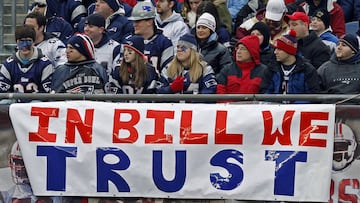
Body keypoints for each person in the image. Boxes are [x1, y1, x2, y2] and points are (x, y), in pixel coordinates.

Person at [262, 29, 320, 97]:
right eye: (275, 49)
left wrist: (294, 106)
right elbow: (265, 93)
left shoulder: (307, 70)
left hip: (300, 107)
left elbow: (312, 96)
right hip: (275, 106)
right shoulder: (271, 69)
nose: (275, 52)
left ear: (289, 51)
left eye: (279, 49)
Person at [0, 25, 53, 94]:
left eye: (28, 41)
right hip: (14, 102)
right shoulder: (8, 65)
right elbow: (3, 92)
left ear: (34, 42)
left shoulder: (45, 64)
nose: (24, 45)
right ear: (16, 42)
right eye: (21, 41)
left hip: (36, 102)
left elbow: (46, 93)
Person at [128, 1, 174, 73]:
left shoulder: (164, 43)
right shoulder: (127, 42)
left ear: (150, 21)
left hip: (157, 83)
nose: (134, 25)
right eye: (134, 21)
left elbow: (168, 72)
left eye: (138, 21)